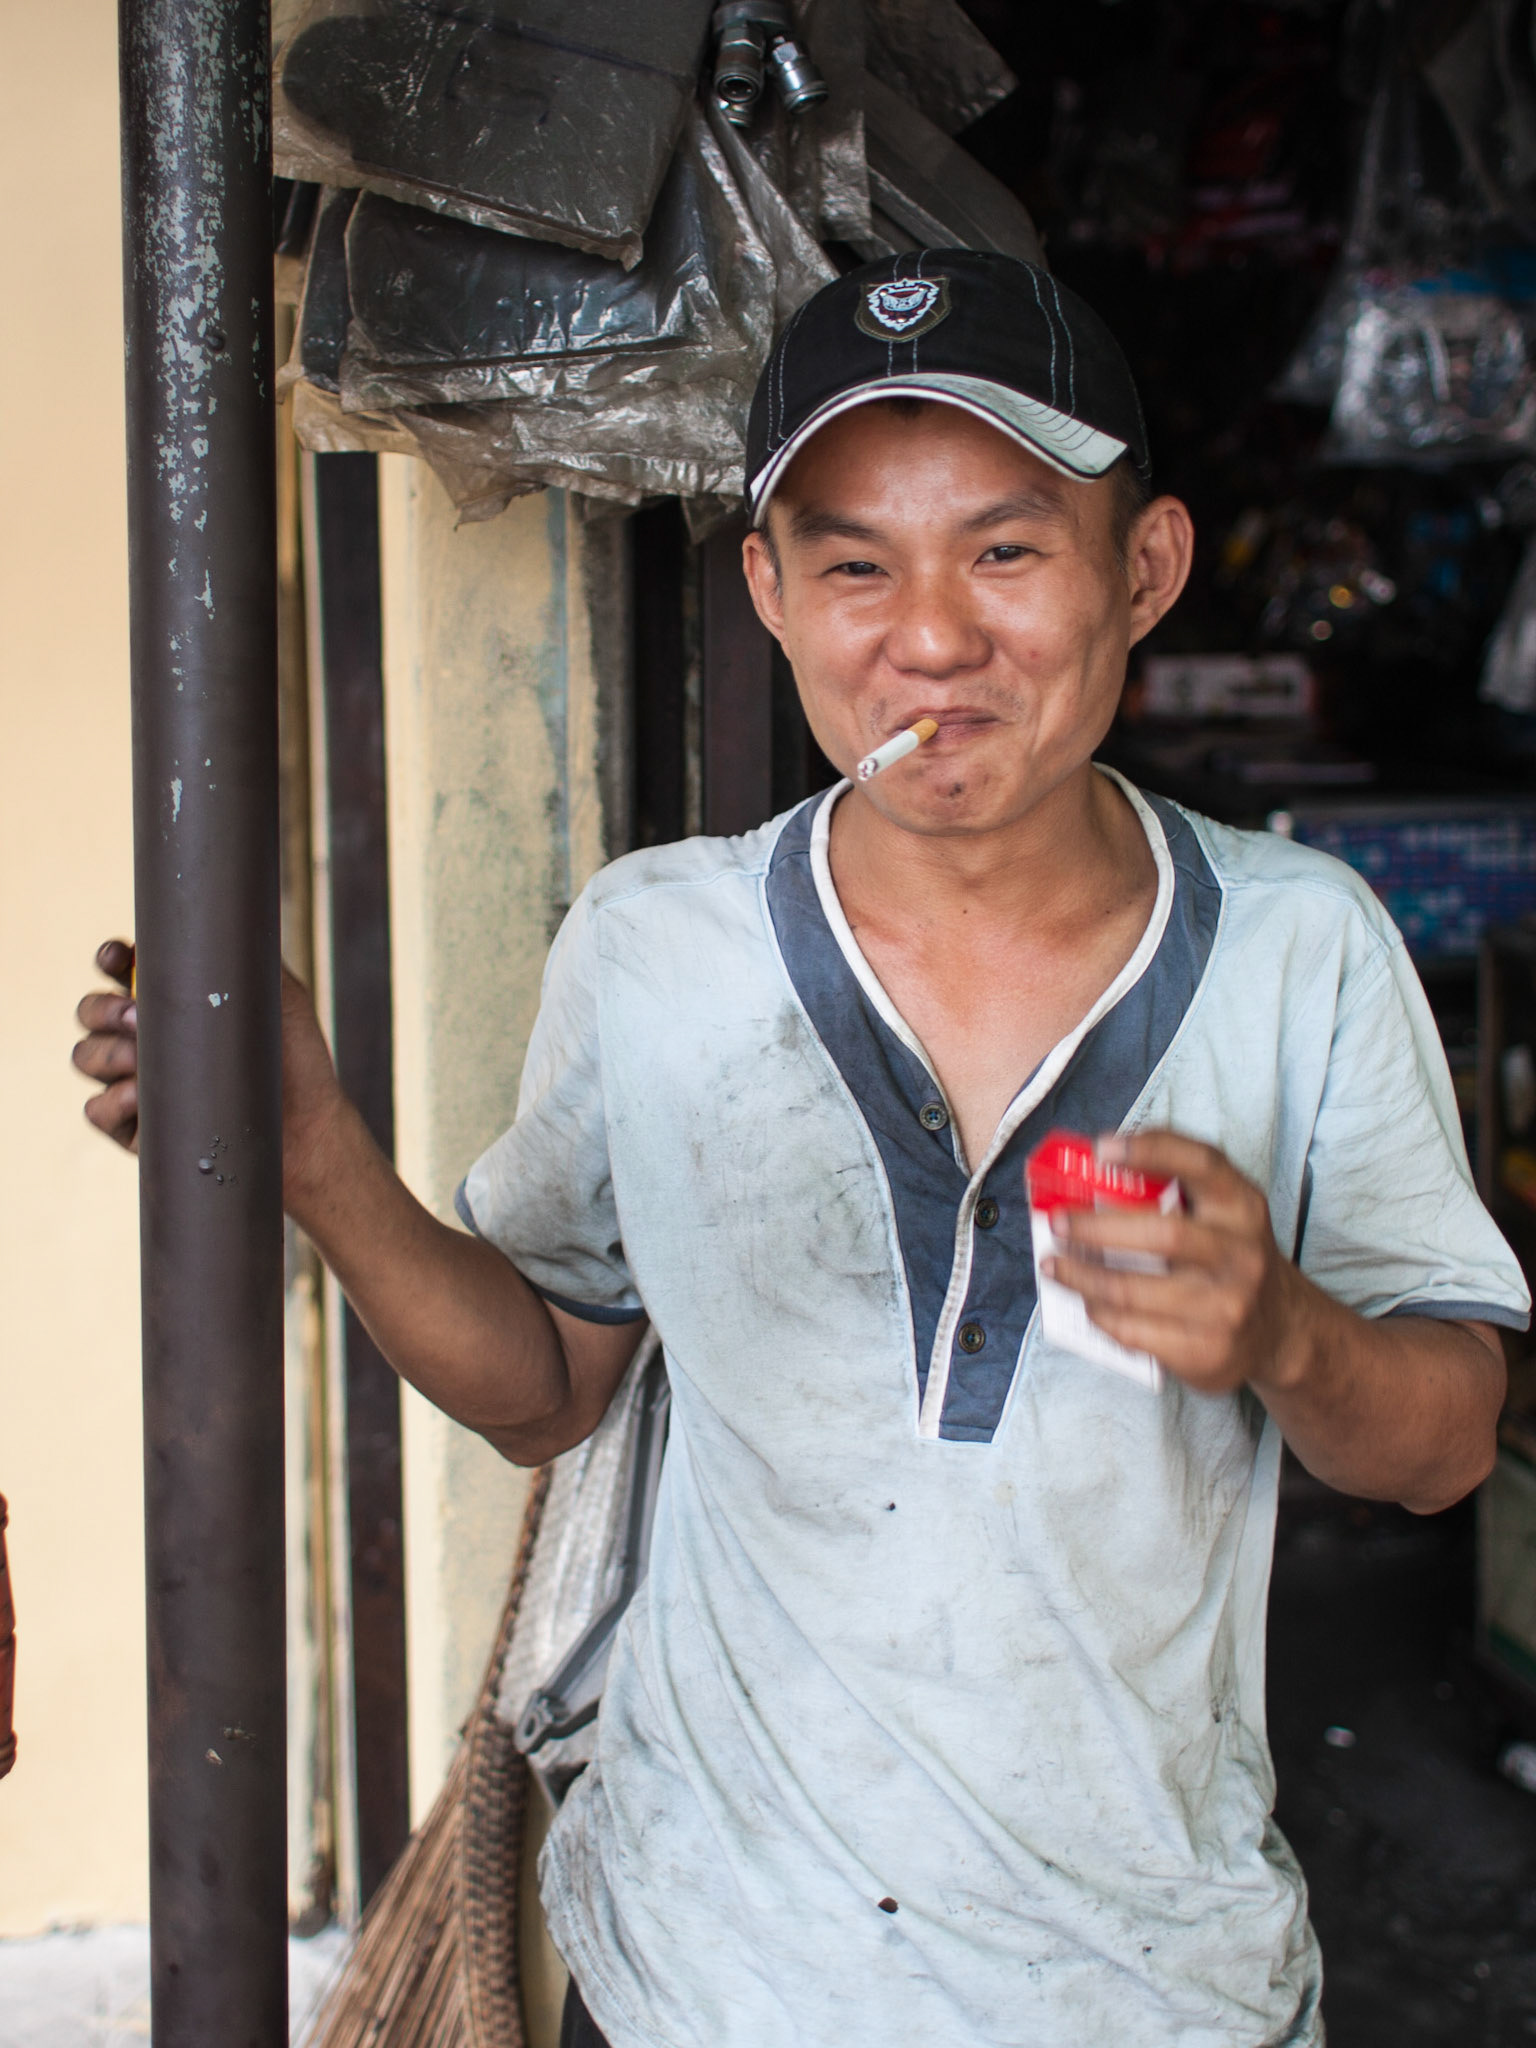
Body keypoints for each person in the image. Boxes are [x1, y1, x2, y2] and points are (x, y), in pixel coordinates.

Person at [74, 251, 1526, 2048]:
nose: (931, 638)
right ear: (767, 589)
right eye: (855, 566)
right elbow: (542, 1389)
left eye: (1006, 552)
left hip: (1152, 1989)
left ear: (1146, 570)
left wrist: (1286, 1331)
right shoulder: (656, 946)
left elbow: (1443, 1450)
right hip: (708, 1980)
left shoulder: (1306, 948)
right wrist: (318, 1158)